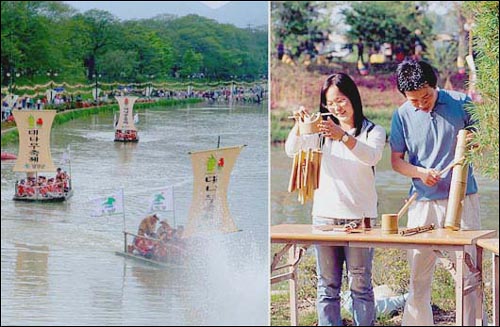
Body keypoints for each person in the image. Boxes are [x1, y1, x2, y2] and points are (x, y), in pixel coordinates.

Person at [285, 72, 386, 326]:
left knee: (360, 283)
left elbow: (370, 157)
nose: (336, 107)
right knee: (327, 285)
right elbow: (291, 150)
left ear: (353, 97)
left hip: (360, 218)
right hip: (325, 216)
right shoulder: (320, 133)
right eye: (330, 104)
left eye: (341, 100)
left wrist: (342, 136)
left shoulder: (373, 130)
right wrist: (300, 124)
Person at [389, 59, 480, 326]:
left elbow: (482, 142)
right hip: (422, 203)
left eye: (425, 97)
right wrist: (420, 173)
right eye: (414, 100)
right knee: (418, 275)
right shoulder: (402, 115)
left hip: (462, 198)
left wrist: (474, 143)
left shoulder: (461, 102)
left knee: (469, 273)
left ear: (434, 84)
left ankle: (474, 322)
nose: (421, 103)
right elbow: (396, 161)